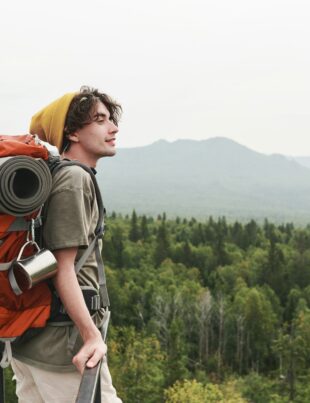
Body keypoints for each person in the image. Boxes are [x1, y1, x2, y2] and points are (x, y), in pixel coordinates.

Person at [11, 86, 123, 402]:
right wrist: (91, 336)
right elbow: (63, 269)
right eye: (99, 120)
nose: (112, 128)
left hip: (34, 342)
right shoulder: (75, 180)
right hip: (63, 347)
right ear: (72, 132)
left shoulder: (54, 174)